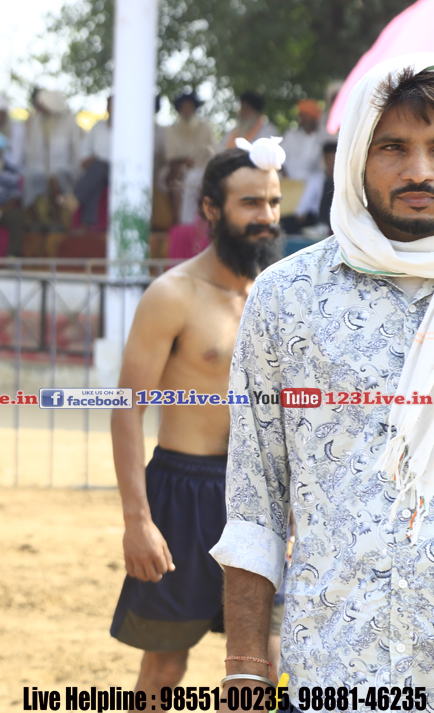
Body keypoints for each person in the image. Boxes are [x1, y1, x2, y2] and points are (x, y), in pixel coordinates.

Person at [211, 55, 434, 690]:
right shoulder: (287, 297)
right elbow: (255, 499)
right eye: (393, 147)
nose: (420, 171)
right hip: (334, 672)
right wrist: (247, 670)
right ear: (357, 154)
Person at [109, 137, 285, 691]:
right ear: (211, 208)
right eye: (250, 203)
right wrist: (137, 521)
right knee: (165, 666)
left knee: (266, 664)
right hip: (183, 495)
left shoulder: (280, 295)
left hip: (261, 497)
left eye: (273, 202)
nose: (266, 216)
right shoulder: (173, 294)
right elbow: (126, 411)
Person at [22, 89, 83, 207]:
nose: (40, 109)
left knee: (54, 179)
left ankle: (59, 210)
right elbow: (32, 151)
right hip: (40, 170)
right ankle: (32, 213)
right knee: (28, 178)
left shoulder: (69, 121)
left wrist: (77, 173)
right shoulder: (36, 121)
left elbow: (76, 150)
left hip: (64, 170)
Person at [162, 92, 215, 226]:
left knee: (196, 179)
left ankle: (195, 223)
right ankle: (182, 222)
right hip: (179, 168)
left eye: (189, 107)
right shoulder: (171, 129)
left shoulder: (205, 127)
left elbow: (211, 153)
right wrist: (183, 162)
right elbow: (171, 156)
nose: (187, 110)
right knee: (176, 181)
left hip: (203, 169)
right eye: (183, 107)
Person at [279, 98, 328, 229]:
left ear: (314, 117)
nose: (302, 119)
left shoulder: (324, 137)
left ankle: (302, 216)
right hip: (289, 178)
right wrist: (284, 173)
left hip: (311, 181)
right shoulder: (291, 135)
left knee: (318, 180)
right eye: (301, 116)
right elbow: (279, 158)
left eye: (306, 116)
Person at [76, 97, 114, 228]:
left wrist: (99, 159)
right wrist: (89, 160)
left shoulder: (127, 130)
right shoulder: (98, 126)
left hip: (117, 171)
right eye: (110, 106)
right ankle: (89, 223)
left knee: (98, 167)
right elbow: (85, 152)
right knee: (95, 179)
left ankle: (75, 198)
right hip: (97, 170)